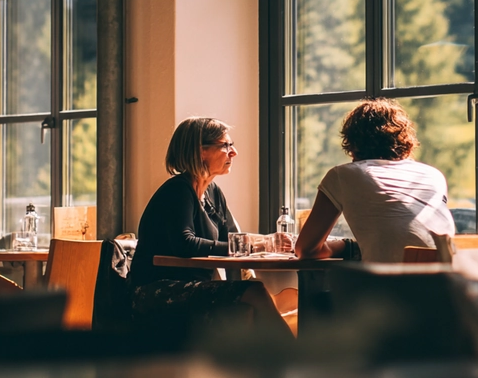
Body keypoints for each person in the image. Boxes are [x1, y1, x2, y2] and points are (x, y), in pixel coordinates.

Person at [129, 117, 290, 339]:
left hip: (195, 286)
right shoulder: (177, 190)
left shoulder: (213, 192)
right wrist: (255, 245)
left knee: (250, 301)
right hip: (155, 290)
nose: (233, 152)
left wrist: (268, 241)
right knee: (256, 292)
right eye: (225, 145)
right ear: (200, 151)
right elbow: (185, 243)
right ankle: (298, 363)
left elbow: (233, 239)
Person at [295, 98, 456, 263]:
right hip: (449, 282)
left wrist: (348, 246)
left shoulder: (343, 174)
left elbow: (306, 250)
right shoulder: (432, 174)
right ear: (405, 141)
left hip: (390, 284)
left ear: (352, 143)